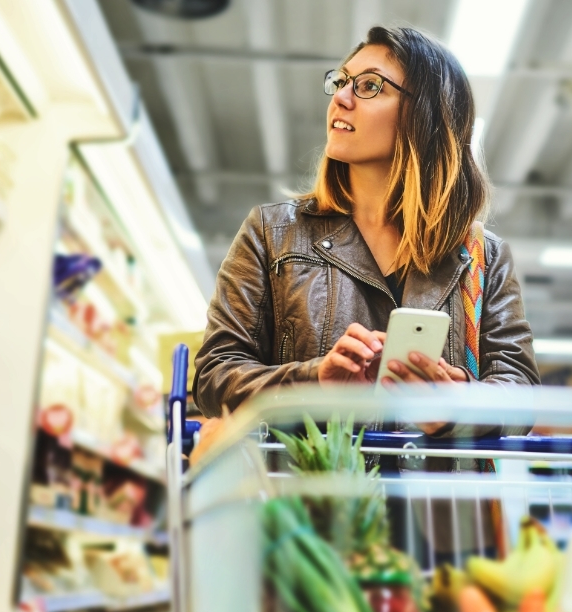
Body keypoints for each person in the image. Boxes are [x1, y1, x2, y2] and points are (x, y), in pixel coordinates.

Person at [192, 25, 539, 440]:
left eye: (369, 86)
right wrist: (314, 380)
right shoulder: (273, 233)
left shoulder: (483, 255)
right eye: (340, 82)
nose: (341, 97)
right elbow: (215, 378)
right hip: (311, 499)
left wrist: (455, 401)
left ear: (426, 114)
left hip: (435, 501)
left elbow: (521, 394)